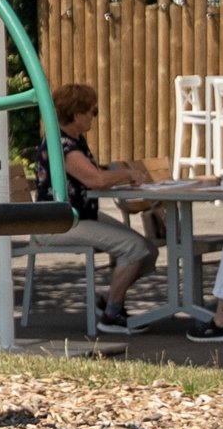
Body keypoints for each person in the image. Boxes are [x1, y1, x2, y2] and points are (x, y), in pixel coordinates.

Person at [48, 82, 158, 327]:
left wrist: (116, 176)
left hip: (80, 215)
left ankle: (109, 299)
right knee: (134, 248)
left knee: (148, 252)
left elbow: (92, 177)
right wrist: (126, 174)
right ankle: (111, 314)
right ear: (77, 114)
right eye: (92, 111)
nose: (94, 117)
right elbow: (95, 180)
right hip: (59, 221)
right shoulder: (63, 145)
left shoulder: (75, 140)